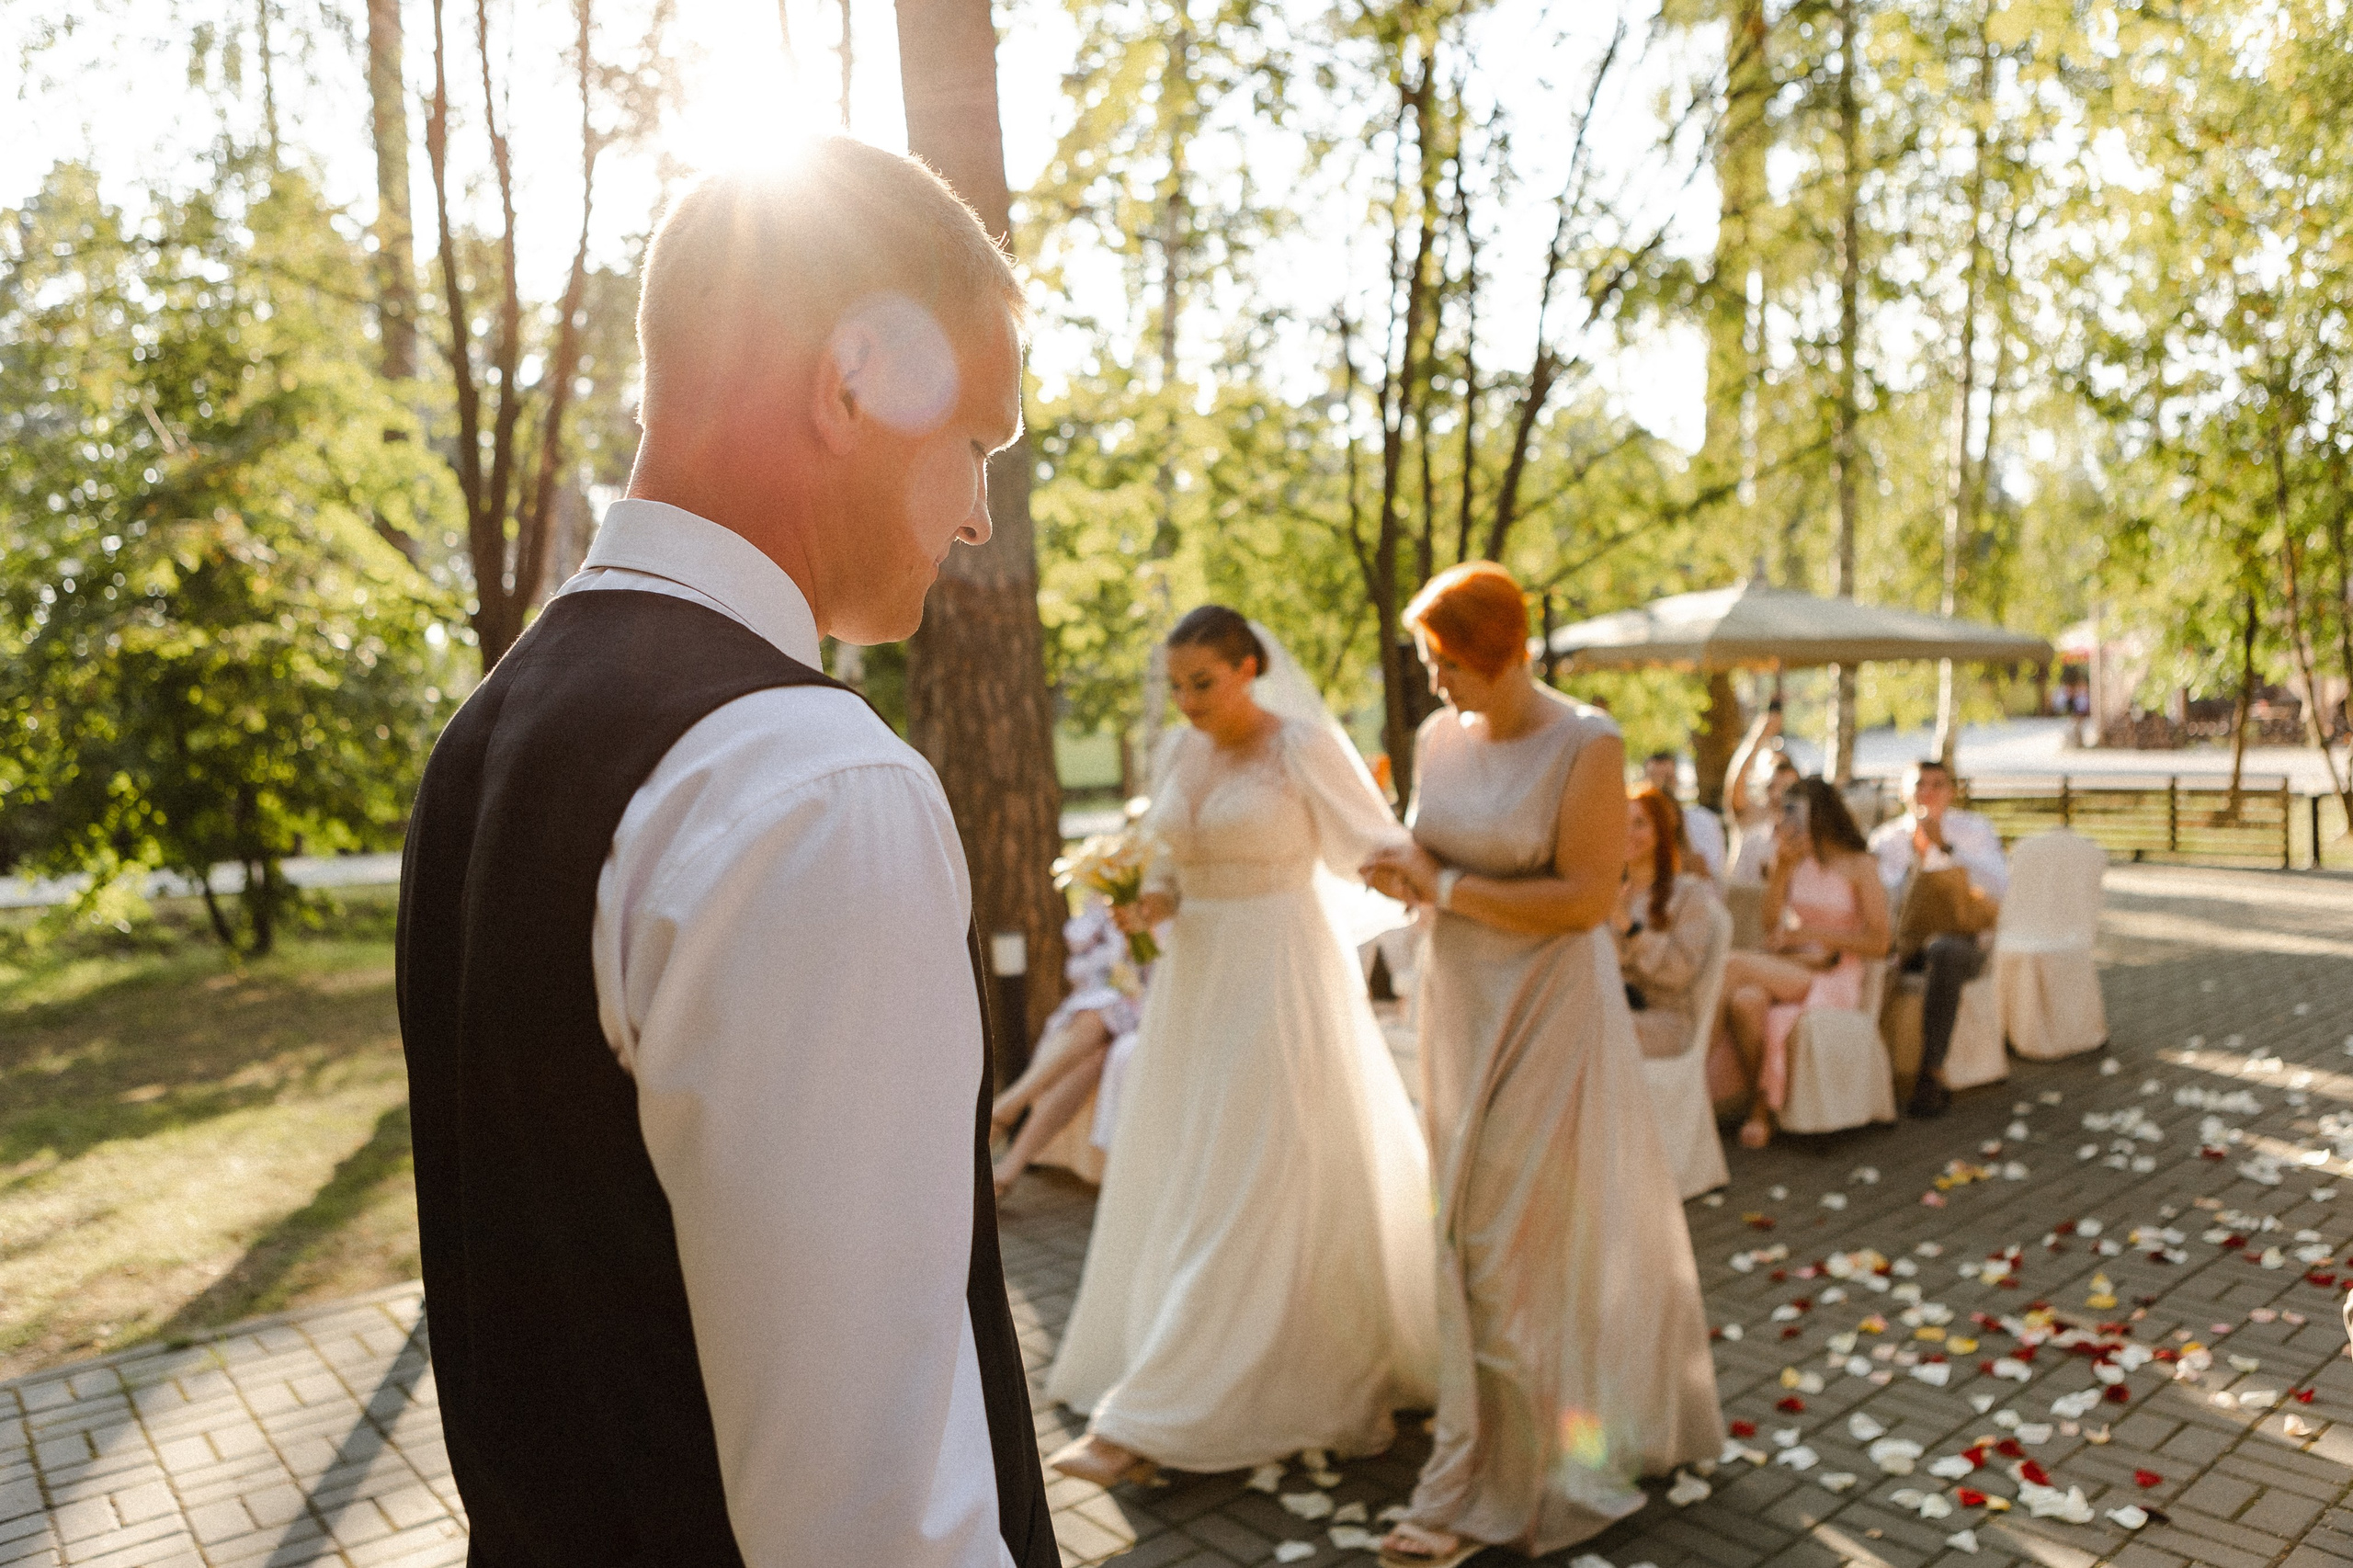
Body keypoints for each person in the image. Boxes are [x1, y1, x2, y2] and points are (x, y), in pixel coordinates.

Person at [393, 147, 1058, 1566]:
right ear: (856, 381)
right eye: (978, 443)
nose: (978, 515)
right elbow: (872, 1525)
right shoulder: (813, 786)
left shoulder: (484, 736)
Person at [1362, 563, 1722, 1566]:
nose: (1435, 684)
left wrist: (1445, 886)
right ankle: (1486, 1444)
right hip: (1459, 1004)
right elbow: (1433, 860)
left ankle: (1514, 1479)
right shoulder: (1439, 738)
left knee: (1504, 1242)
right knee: (1463, 1233)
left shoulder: (1586, 742)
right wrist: (1402, 876)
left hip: (1549, 1011)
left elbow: (1582, 901)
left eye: (1446, 663)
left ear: (1504, 651)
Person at [1044, 607, 1438, 1486]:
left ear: (1249, 669)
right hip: (1195, 986)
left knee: (1256, 1172)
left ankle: (1147, 1419)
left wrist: (1431, 876)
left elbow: (1369, 842)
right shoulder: (1175, 752)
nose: (1187, 702)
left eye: (1203, 683)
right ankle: (1177, 1369)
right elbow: (1166, 868)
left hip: (1278, 973)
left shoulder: (1301, 747)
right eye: (1176, 685)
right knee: (1194, 1169)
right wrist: (1144, 903)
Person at [1713, 778, 1893, 1150]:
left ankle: (1693, 1073)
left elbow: (1880, 942)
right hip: (1796, 964)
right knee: (1746, 1001)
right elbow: (1770, 924)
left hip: (1836, 974)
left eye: (1794, 813)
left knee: (1731, 965)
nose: (1786, 821)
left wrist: (1811, 933)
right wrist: (1781, 869)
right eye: (1784, 812)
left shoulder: (1860, 865)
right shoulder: (1793, 860)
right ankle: (1761, 1107)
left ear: (1821, 815)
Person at [1869, 759, 2008, 1118]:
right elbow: (1877, 900)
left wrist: (1946, 848)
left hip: (1960, 941)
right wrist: (1913, 865)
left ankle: (1931, 1071)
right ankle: (1868, 1073)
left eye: (1937, 784)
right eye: (1920, 784)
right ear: (1904, 792)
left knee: (1945, 951)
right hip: (1903, 942)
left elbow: (2001, 887)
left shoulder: (1974, 830)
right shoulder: (1886, 839)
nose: (1928, 792)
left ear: (1951, 791)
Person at [988, 898, 1151, 1191]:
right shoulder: (1108, 902)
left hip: (1148, 1002)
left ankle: (1006, 1108)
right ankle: (1007, 1171)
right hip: (1112, 1006)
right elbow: (1081, 967)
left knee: (1099, 1015)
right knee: (1095, 1052)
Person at [1612, 788, 1728, 1062]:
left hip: (1665, 1020)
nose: (1628, 832)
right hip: (1614, 1008)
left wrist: (1629, 927)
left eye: (1639, 823)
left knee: (1598, 1032)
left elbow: (1679, 971)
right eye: (1622, 823)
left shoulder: (1689, 893)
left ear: (1661, 831)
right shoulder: (1609, 891)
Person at [1723, 705, 1801, 884]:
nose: (1778, 795)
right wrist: (1758, 736)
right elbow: (1735, 783)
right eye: (1772, 786)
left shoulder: (1805, 825)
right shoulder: (1752, 814)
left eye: (1788, 789)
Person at [1643, 749, 1726, 880]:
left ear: (1676, 780)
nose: (1661, 786)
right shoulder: (1632, 826)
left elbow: (1714, 874)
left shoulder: (1704, 821)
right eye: (1654, 778)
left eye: (1667, 778)